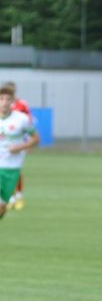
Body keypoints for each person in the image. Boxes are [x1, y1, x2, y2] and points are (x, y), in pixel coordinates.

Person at [0, 85, 38, 221]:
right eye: (2, 99)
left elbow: (36, 139)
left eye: (7, 99)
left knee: (2, 208)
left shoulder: (21, 119)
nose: (4, 102)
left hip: (12, 168)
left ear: (12, 101)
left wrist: (20, 146)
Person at [0, 83, 29, 210]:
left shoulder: (21, 105)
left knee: (16, 170)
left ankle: (17, 196)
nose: (5, 101)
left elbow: (28, 122)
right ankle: (10, 198)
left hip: (18, 143)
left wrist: (23, 145)